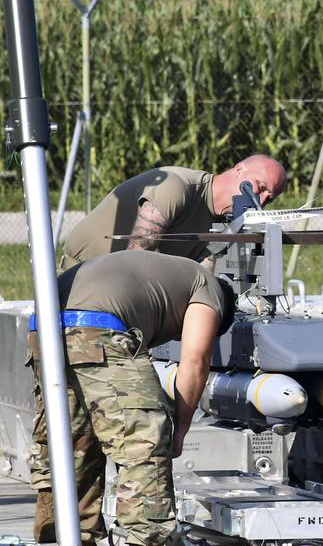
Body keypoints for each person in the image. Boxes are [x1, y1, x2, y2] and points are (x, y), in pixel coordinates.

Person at [28, 250, 236, 544]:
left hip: (44, 327)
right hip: (99, 328)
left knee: (74, 448)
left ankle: (65, 534)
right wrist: (180, 430)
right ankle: (149, 537)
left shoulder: (165, 271)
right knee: (143, 443)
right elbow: (195, 361)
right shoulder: (209, 287)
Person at [59, 155, 287, 270]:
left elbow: (203, 279)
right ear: (239, 169)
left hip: (120, 289)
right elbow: (134, 262)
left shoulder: (225, 223)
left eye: (270, 198)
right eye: (260, 186)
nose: (261, 200)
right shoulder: (176, 187)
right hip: (81, 282)